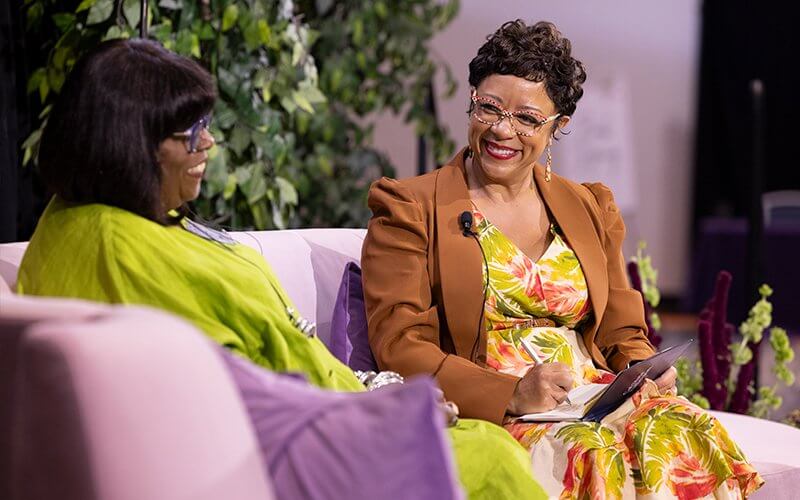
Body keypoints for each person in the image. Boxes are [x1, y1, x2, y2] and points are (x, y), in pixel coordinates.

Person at [16, 38, 546, 500]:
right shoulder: (118, 249)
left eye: (206, 125)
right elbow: (235, 385)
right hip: (283, 441)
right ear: (126, 144)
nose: (209, 143)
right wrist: (388, 409)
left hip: (312, 408)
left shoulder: (90, 219)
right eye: (190, 132)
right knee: (494, 455)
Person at [361, 20, 763, 498]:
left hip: (590, 395)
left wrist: (643, 370)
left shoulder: (589, 207)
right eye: (489, 108)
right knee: (591, 451)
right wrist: (509, 393)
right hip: (494, 408)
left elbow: (620, 329)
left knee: (684, 427)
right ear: (471, 99)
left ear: (559, 127)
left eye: (527, 119)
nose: (501, 130)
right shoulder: (409, 206)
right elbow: (400, 343)